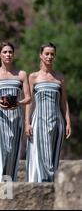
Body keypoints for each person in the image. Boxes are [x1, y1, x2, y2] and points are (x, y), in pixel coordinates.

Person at [0, 42, 31, 182]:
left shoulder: (21, 74)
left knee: (12, 157)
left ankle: (7, 195)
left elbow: (28, 97)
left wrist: (19, 103)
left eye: (10, 52)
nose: (8, 54)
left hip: (16, 120)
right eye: (5, 52)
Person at [25, 43, 71, 182]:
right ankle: (39, 186)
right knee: (40, 156)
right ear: (41, 55)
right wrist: (27, 123)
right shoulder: (33, 77)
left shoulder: (60, 78)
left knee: (53, 156)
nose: (49, 56)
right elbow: (29, 102)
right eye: (47, 54)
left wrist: (68, 122)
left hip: (57, 121)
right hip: (39, 121)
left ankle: (52, 189)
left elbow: (64, 102)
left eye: (52, 54)